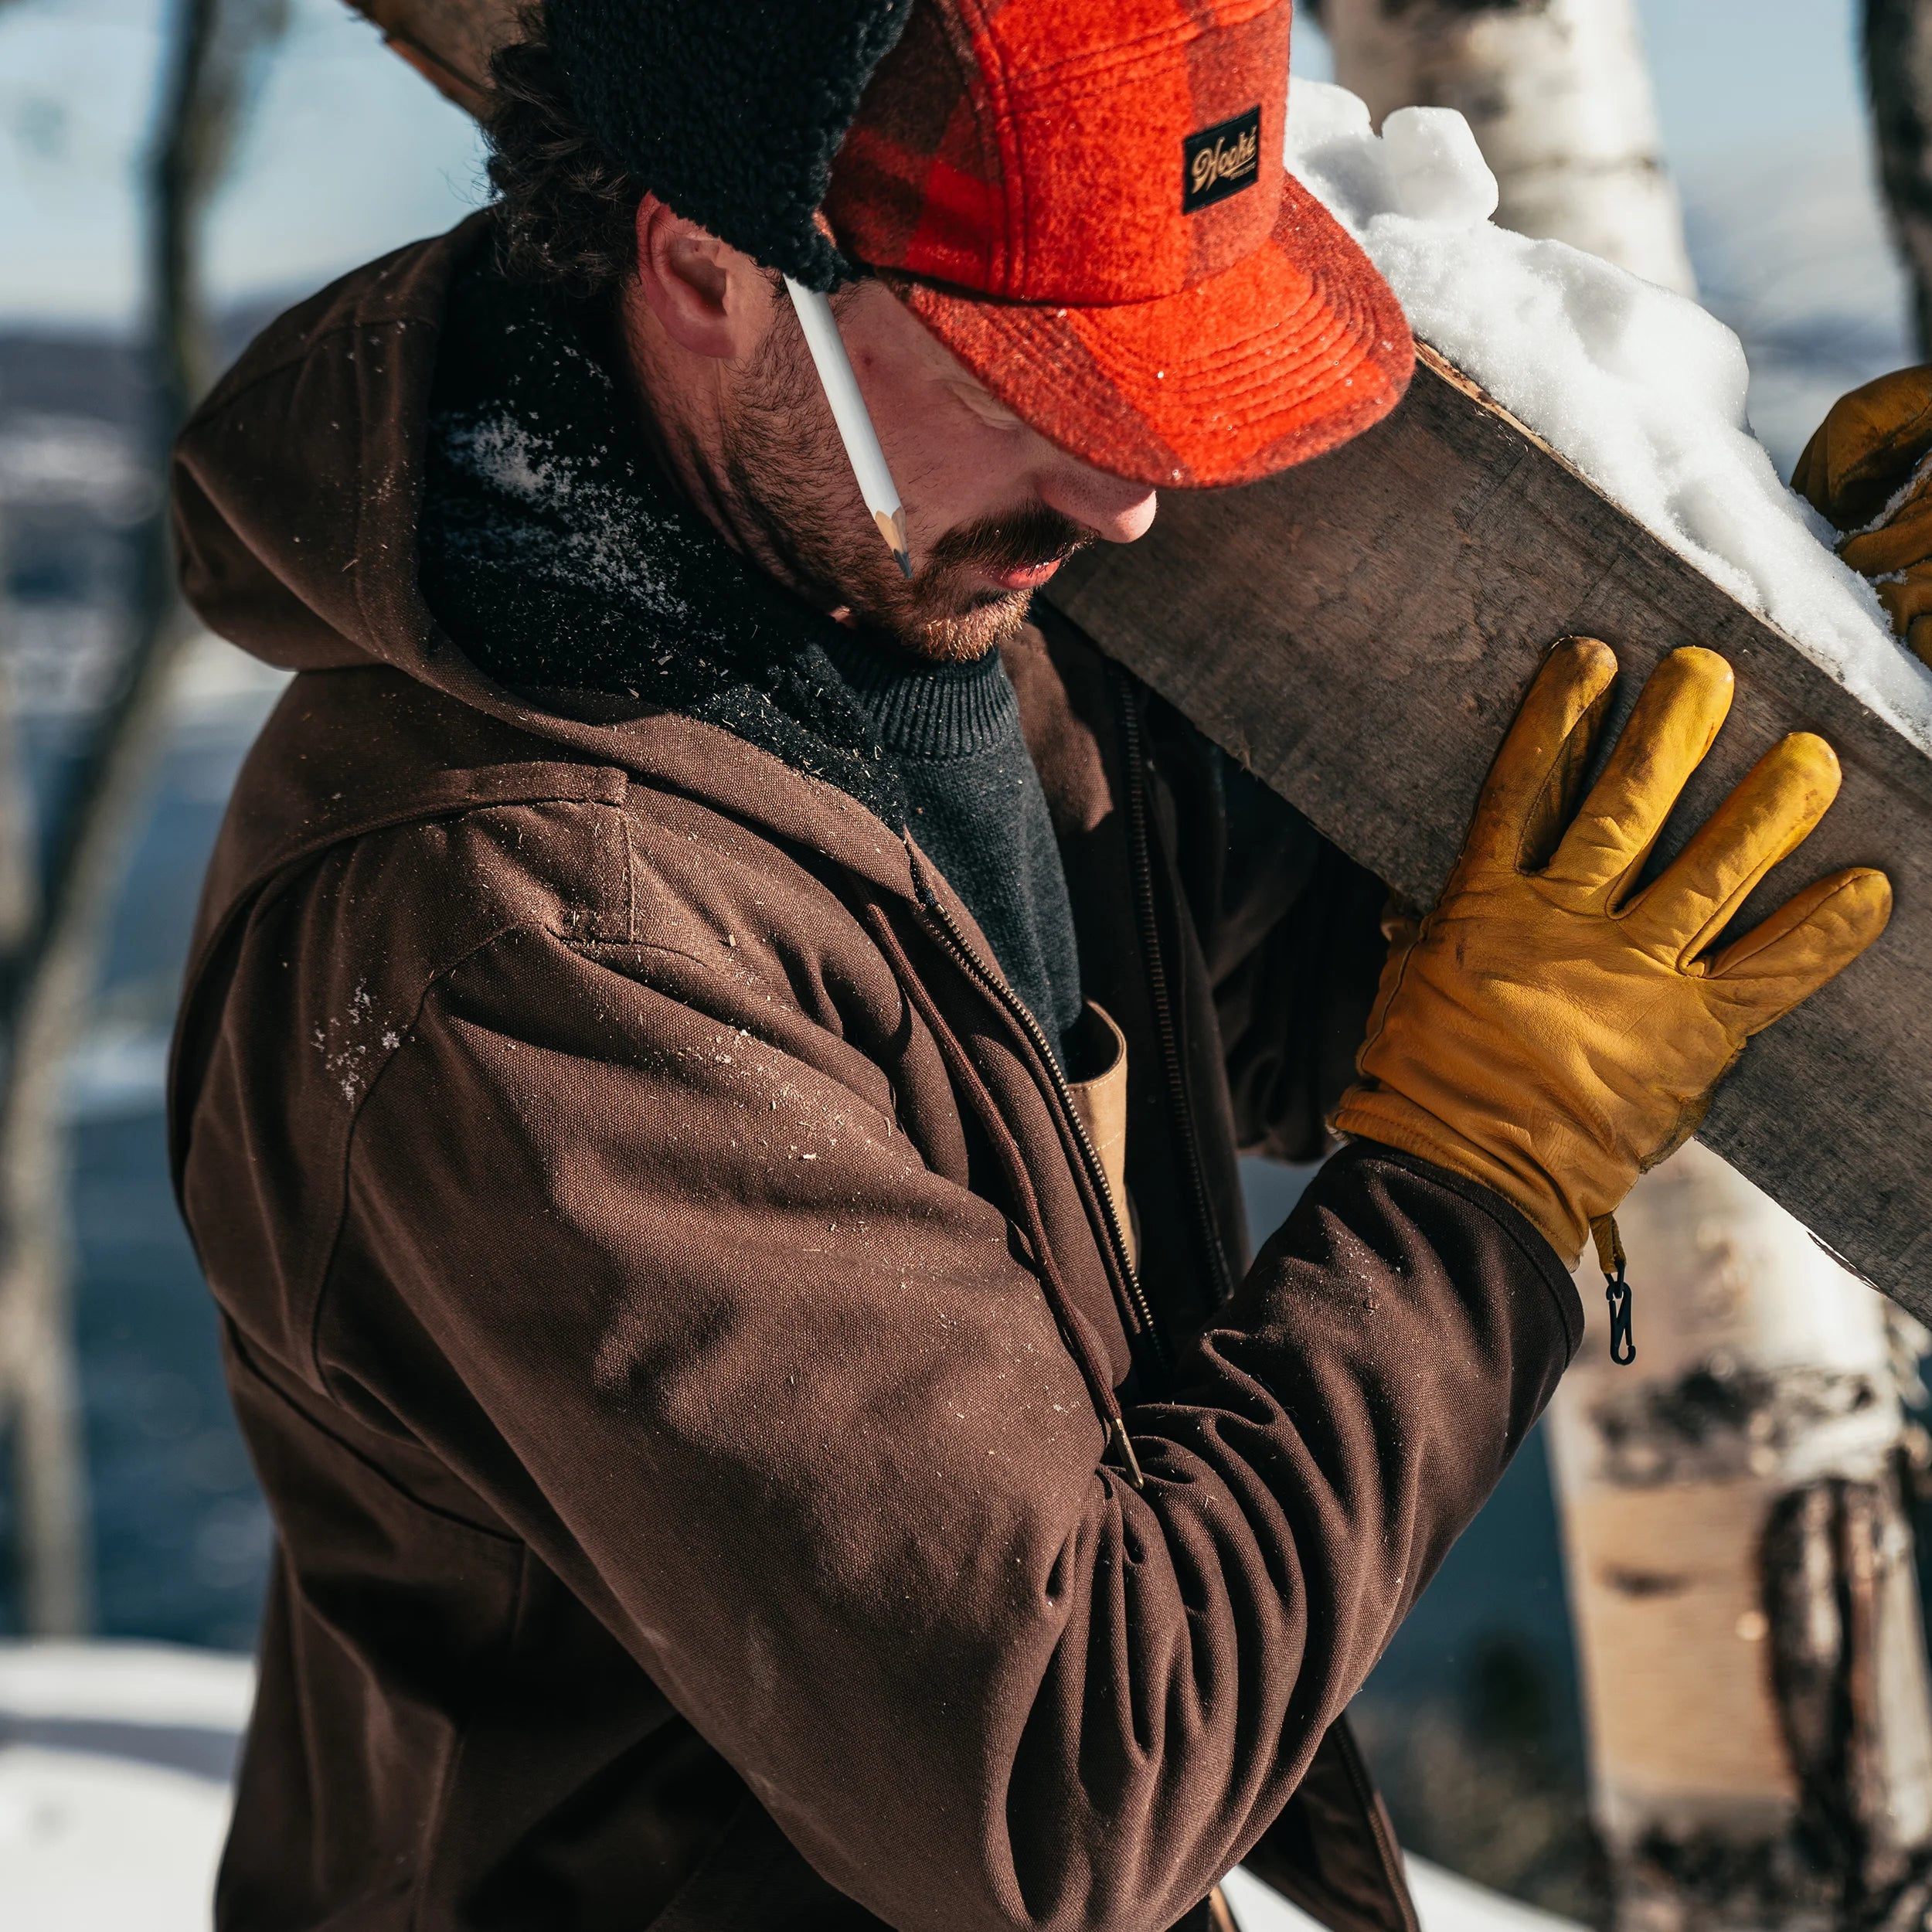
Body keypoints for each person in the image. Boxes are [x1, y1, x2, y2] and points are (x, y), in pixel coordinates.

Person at [166, 2, 1893, 1927]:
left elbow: (1218, 1015)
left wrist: (1785, 635)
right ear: (704, 268)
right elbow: (1069, 1775)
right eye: (1028, 376)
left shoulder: (863, 586)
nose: (1123, 494)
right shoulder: (530, 943)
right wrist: (1485, 1167)